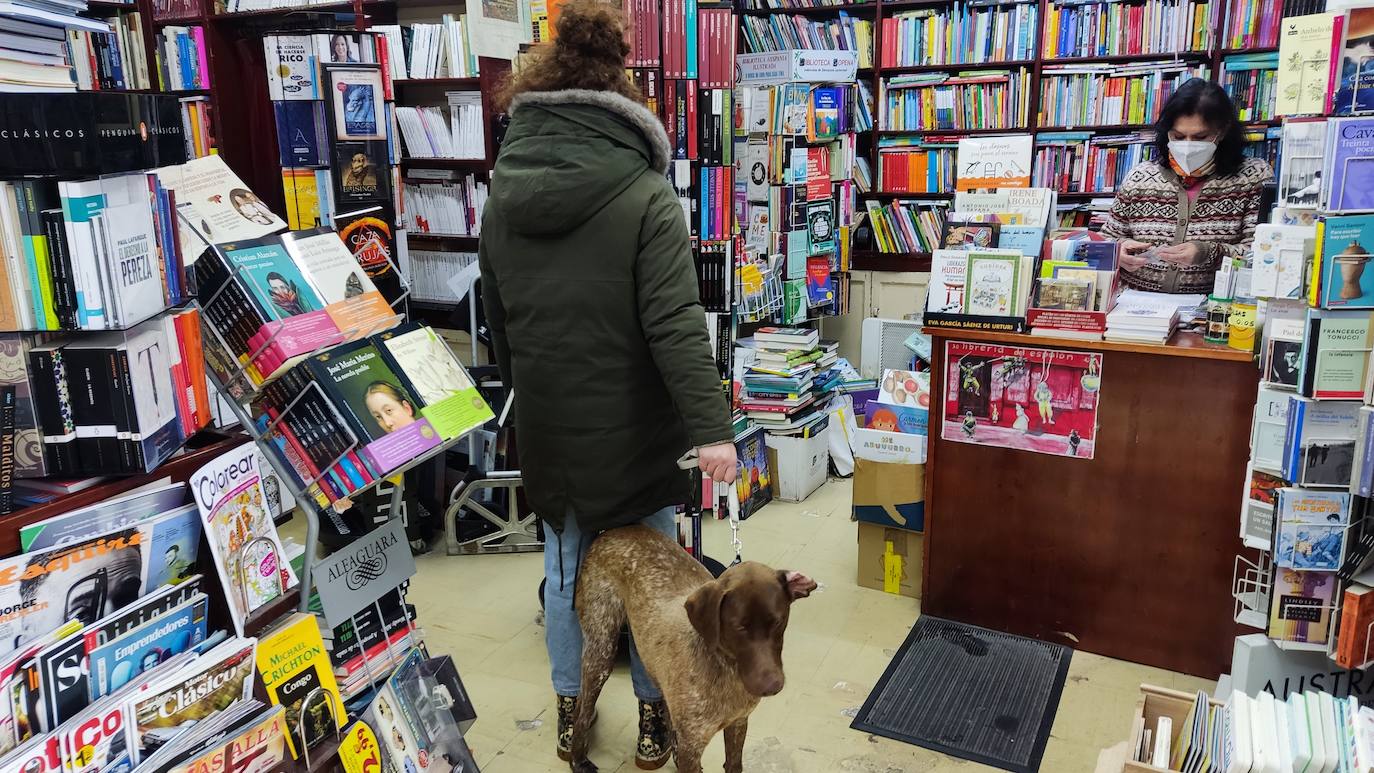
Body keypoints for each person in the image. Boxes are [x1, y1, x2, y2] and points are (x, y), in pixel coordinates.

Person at [477, 0, 736, 768]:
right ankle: (655, 722)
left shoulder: (502, 194)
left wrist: (535, 390)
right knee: (654, 583)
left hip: (553, 433)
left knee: (565, 575)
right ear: (621, 93)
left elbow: (500, 320)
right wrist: (711, 427)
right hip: (635, 433)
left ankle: (570, 718)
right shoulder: (645, 195)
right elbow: (675, 324)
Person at [1102, 78, 1273, 294]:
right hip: (1136, 310)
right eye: (1178, 136)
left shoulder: (1253, 177)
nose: (1188, 145)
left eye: (1200, 137)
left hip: (1213, 311)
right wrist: (1117, 251)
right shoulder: (1140, 177)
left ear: (1222, 131)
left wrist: (1208, 253)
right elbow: (1107, 238)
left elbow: (1262, 256)